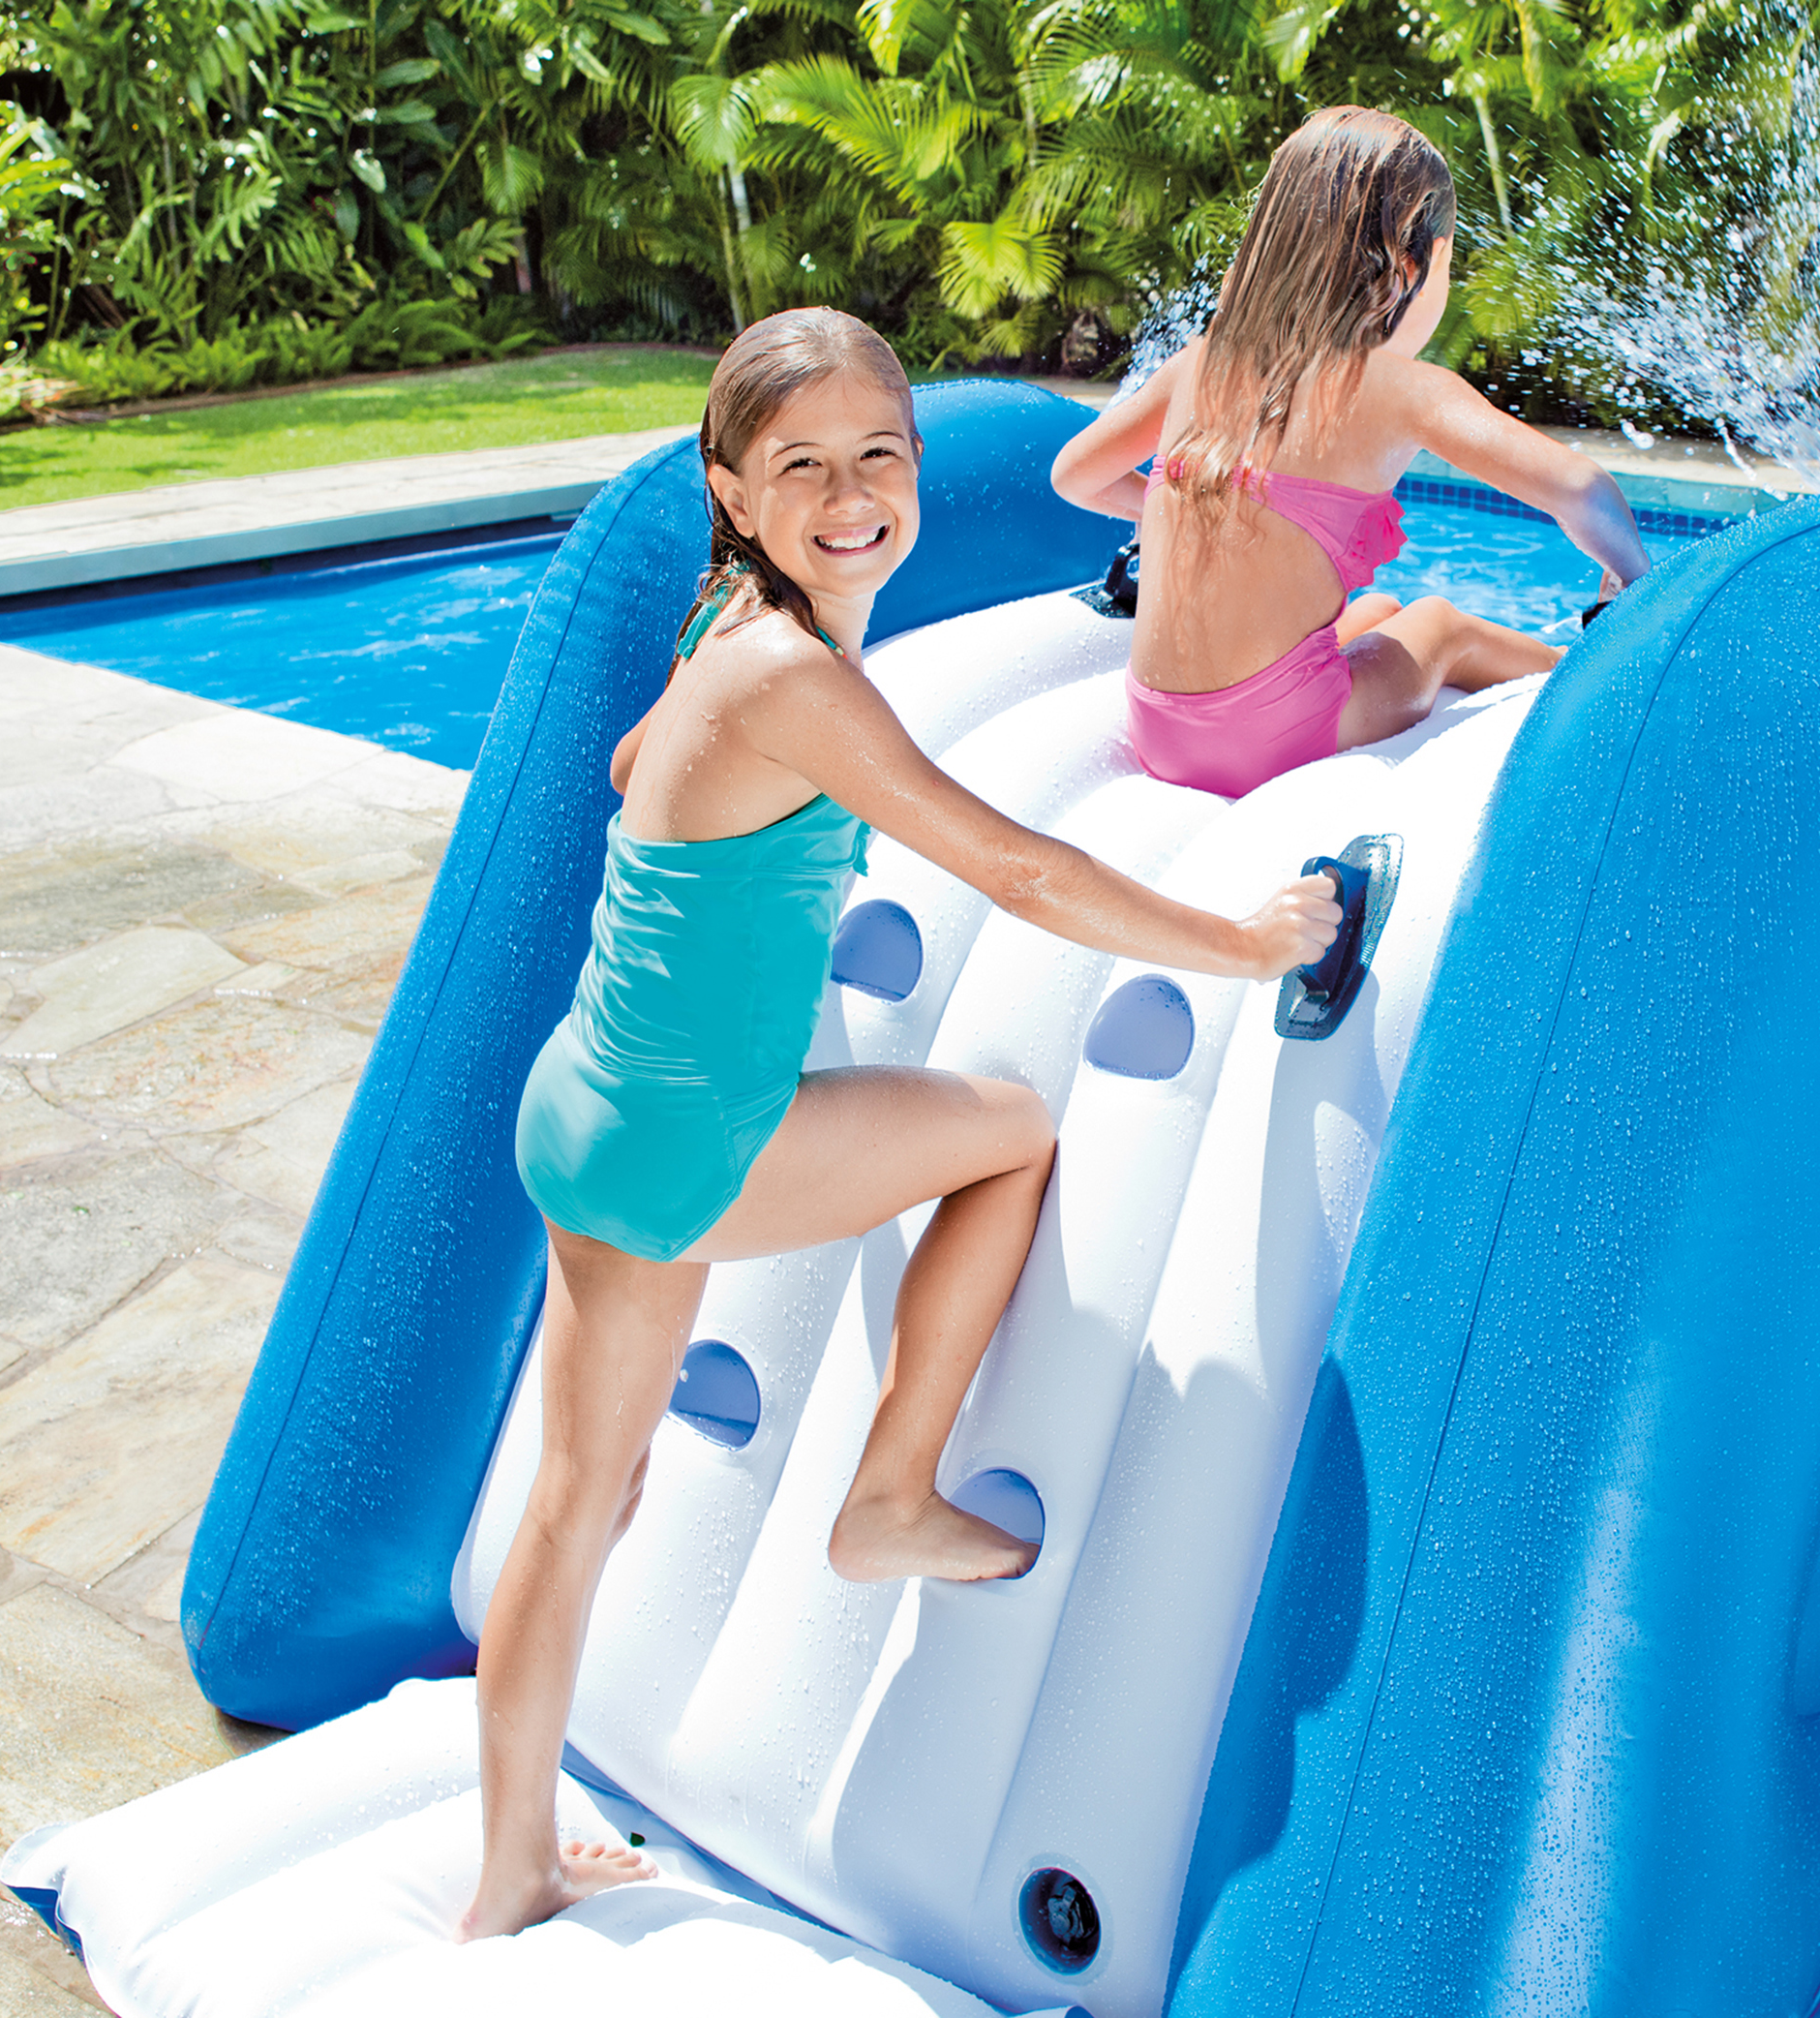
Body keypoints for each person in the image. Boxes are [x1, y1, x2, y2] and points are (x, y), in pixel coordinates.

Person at [463, 306, 1342, 1942]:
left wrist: (735, 860)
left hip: (590, 1103)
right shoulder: (789, 672)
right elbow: (1018, 866)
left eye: (879, 453)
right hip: (690, 1143)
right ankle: (892, 1488)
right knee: (1009, 1134)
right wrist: (1240, 942)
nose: (851, 493)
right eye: (802, 465)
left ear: (917, 466)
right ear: (733, 489)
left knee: (583, 1499)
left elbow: (635, 761)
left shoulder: (732, 619)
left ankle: (511, 1864)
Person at [1049, 106, 1653, 801]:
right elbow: (1582, 490)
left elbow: (1075, 476)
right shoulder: (1402, 390)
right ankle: (1581, 668)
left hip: (1159, 729)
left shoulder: (1204, 361)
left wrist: (1170, 516)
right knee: (1439, 623)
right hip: (1270, 741)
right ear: (1411, 266)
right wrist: (1638, 590)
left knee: (1380, 610)